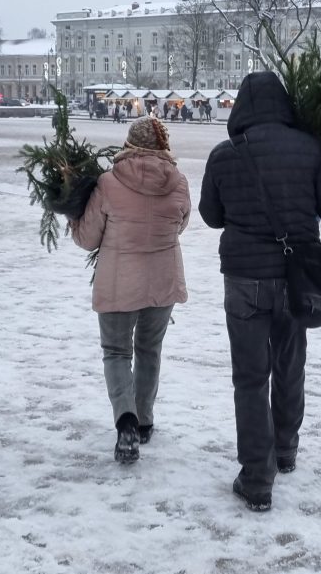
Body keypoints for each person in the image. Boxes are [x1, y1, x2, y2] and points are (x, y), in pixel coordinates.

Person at [199, 71, 321, 512]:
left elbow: (211, 216)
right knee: (289, 366)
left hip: (244, 281)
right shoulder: (310, 148)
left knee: (249, 380)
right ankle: (285, 451)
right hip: (296, 280)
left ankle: (257, 479)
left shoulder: (223, 155)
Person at [69, 117, 190, 464]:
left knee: (117, 352)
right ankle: (145, 420)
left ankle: (126, 423)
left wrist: (74, 217)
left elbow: (88, 237)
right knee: (149, 349)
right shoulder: (178, 181)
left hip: (119, 280)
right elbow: (180, 224)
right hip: (163, 280)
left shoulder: (108, 182)